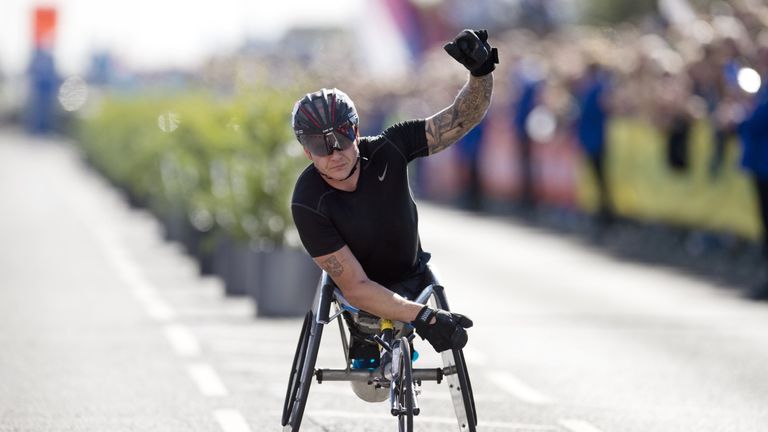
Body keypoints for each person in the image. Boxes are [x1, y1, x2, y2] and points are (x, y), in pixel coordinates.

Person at [290, 29, 496, 358]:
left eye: (342, 139)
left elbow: (460, 119)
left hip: (412, 277)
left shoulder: (391, 147)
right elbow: (356, 287)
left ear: (356, 131)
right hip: (358, 296)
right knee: (367, 361)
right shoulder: (307, 199)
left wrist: (481, 73)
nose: (335, 153)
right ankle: (369, 344)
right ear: (306, 151)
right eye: (320, 146)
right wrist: (424, 317)